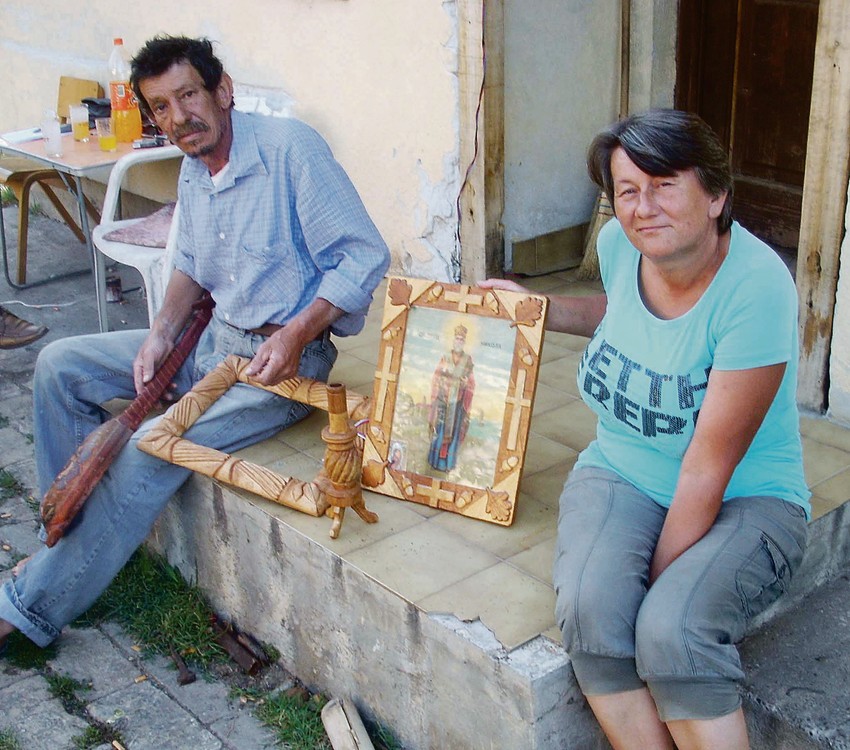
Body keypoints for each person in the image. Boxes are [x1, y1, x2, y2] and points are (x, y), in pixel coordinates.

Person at [0, 35, 389, 651]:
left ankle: (27, 607)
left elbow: (363, 257)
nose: (179, 116)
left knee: (155, 445)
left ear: (222, 91)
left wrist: (293, 334)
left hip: (281, 365)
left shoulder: (292, 152)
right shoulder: (193, 166)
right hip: (210, 345)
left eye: (188, 95)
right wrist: (159, 335)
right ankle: (66, 529)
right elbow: (189, 266)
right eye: (161, 106)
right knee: (58, 365)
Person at [480, 109, 809, 750]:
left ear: (715, 195)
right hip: (621, 470)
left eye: (664, 184)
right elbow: (622, 312)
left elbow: (707, 468)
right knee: (591, 612)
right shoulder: (618, 248)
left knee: (670, 628)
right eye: (627, 190)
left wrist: (654, 583)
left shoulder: (757, 288)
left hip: (749, 494)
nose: (642, 207)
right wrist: (535, 309)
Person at [427, 323, 475, 472]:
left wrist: (467, 384)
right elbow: (436, 376)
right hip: (443, 399)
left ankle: (448, 464)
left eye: (461, 339)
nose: (459, 341)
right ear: (453, 340)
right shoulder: (445, 357)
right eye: (457, 338)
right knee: (439, 430)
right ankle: (435, 462)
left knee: (453, 432)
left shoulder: (467, 359)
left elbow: (472, 381)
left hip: (458, 401)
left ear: (464, 342)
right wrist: (442, 383)